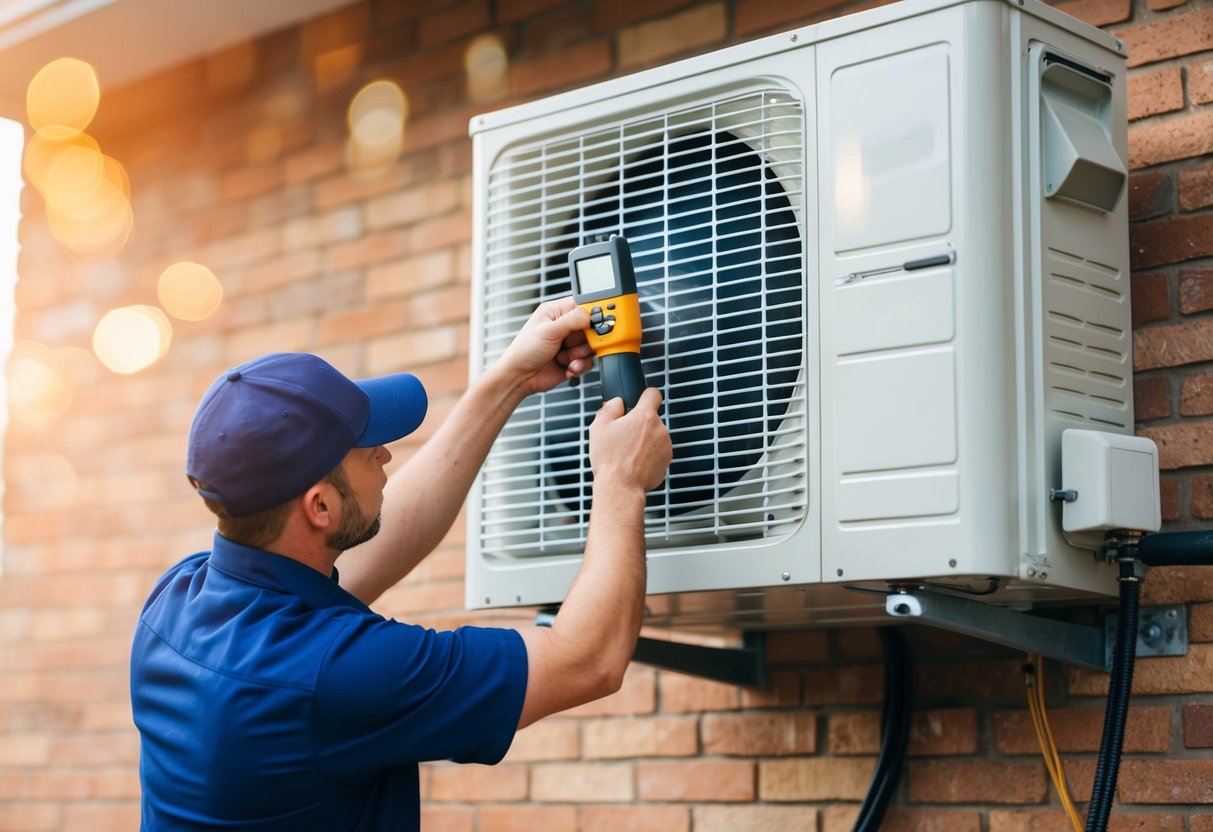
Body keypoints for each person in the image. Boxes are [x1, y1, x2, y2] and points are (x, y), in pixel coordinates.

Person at [129, 297, 672, 831]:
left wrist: (512, 378)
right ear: (320, 507)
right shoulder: (331, 676)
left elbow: (392, 534)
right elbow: (586, 660)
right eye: (367, 449)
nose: (387, 453)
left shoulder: (178, 601)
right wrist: (620, 480)